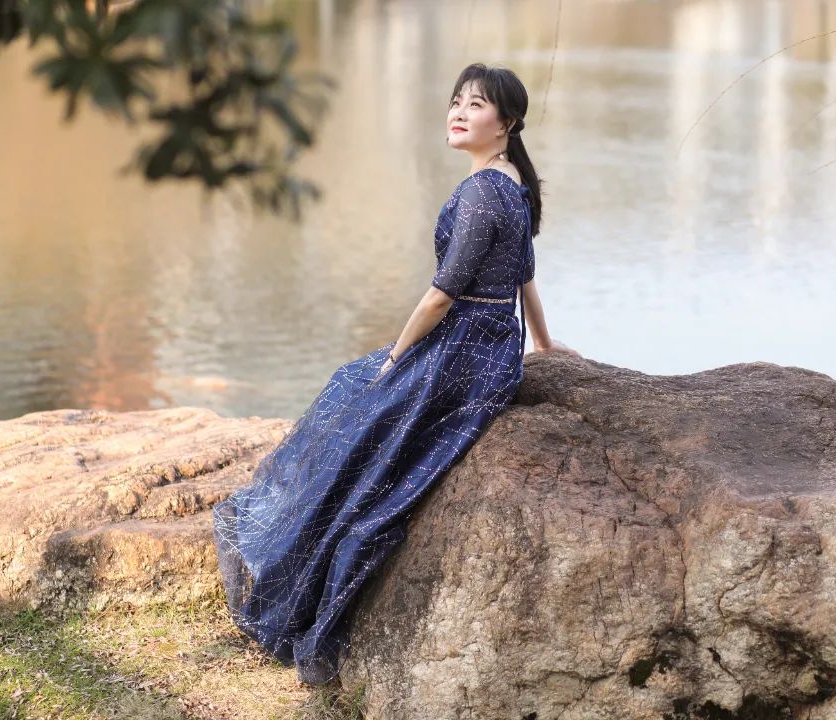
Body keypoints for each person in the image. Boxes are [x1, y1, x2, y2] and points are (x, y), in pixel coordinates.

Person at [211, 62, 581, 686]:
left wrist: (394, 358)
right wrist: (540, 344)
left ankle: (293, 571)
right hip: (492, 346)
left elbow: (441, 296)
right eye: (456, 101)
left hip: (462, 349)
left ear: (507, 123)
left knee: (355, 393)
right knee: (356, 394)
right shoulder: (513, 183)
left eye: (476, 105)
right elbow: (524, 279)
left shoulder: (481, 194)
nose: (458, 112)